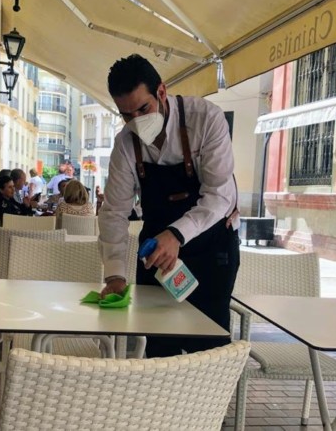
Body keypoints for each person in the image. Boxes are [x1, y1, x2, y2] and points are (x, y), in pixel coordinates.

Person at [98, 54, 239, 357]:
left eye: (143, 108)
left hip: (212, 248)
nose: (136, 121)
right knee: (157, 348)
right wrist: (115, 275)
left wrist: (176, 234)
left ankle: (207, 407)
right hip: (156, 255)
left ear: (161, 92)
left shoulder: (206, 119)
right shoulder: (125, 145)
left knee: (209, 350)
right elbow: (114, 212)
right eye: (126, 115)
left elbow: (219, 194)